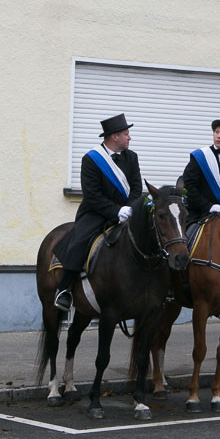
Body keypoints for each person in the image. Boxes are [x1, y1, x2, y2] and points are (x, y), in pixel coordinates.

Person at [52, 113, 143, 311]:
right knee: (79, 241)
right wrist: (116, 211)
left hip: (128, 211)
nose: (130, 137)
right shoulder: (91, 160)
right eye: (126, 134)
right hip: (96, 212)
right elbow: (92, 196)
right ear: (114, 136)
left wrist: (130, 208)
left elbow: (136, 188)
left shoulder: (132, 157)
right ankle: (64, 289)